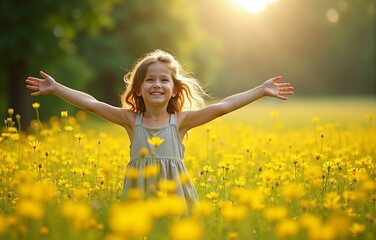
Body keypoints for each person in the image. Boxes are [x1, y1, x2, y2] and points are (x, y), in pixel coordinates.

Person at [25, 49, 293, 212]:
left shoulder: (181, 122)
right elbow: (92, 104)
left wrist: (261, 90)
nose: (157, 84)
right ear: (139, 89)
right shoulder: (132, 121)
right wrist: (56, 87)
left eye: (164, 80)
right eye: (149, 80)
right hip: (139, 197)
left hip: (176, 199)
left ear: (174, 89)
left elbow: (223, 106)